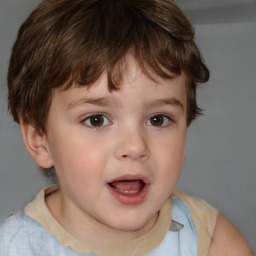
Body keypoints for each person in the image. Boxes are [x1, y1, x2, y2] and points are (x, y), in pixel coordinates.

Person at [0, 0, 252, 255]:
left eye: (158, 119)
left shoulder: (211, 243)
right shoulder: (15, 247)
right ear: (39, 139)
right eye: (96, 119)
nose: (135, 147)